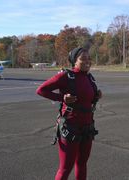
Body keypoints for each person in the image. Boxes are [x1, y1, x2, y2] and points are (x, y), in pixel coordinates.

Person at [36, 47, 102, 180]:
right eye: (83, 58)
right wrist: (62, 98)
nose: (87, 61)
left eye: (89, 58)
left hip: (87, 128)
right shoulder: (66, 76)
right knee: (66, 168)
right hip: (70, 128)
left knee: (82, 164)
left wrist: (96, 96)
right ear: (74, 61)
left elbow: (85, 100)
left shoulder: (90, 78)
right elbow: (41, 90)